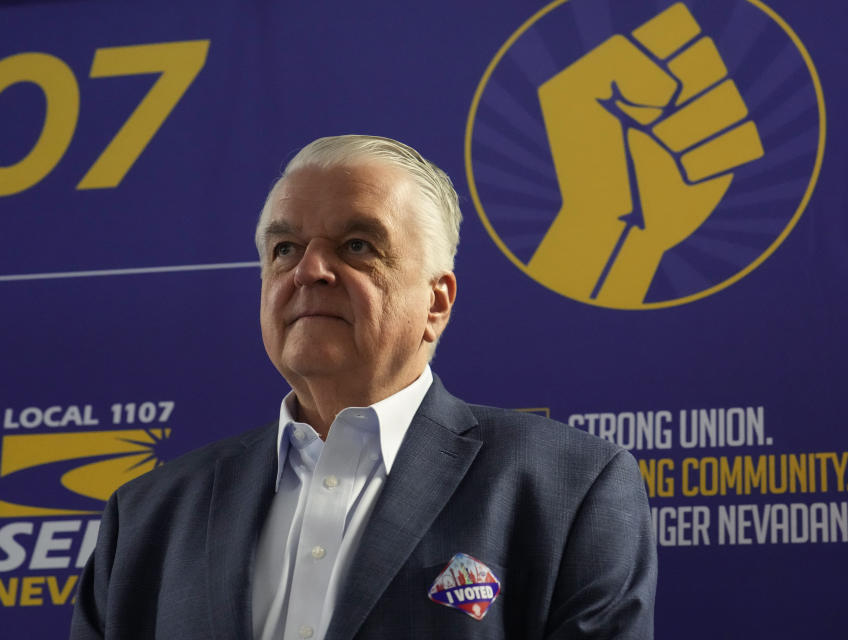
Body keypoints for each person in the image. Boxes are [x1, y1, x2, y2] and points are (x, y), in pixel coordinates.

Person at [70, 135, 656, 640]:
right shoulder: (146, 519)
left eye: (356, 246)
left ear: (436, 302)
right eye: (285, 250)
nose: (309, 271)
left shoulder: (569, 488)